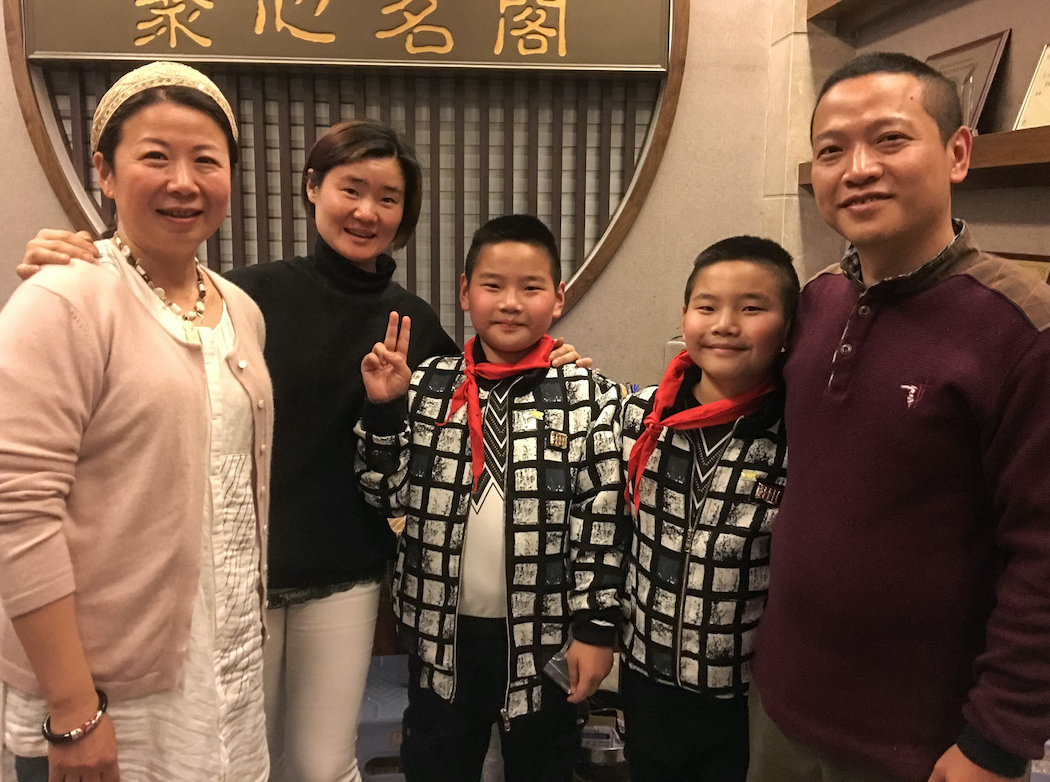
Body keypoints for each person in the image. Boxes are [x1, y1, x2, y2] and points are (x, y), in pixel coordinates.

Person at [18, 122, 589, 782]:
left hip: (344, 574)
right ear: (313, 187)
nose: (367, 212)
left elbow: (461, 414)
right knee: (236, 757)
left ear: (405, 216)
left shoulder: (416, 322)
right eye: (351, 188)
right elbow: (145, 313)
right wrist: (71, 258)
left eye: (389, 198)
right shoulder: (242, 296)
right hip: (235, 573)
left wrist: (552, 367)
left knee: (322, 764)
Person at [748, 52, 1050, 782]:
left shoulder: (1034, 335)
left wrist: (995, 743)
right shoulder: (817, 301)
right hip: (781, 708)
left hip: (925, 745)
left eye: (890, 139)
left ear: (958, 153)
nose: (857, 168)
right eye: (831, 150)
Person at [0, 61, 274, 781]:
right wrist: (73, 708)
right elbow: (19, 511)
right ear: (106, 171)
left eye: (206, 160)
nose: (184, 181)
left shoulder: (240, 311)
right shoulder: (62, 300)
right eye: (155, 156)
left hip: (224, 674)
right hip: (107, 693)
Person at [354, 214, 626, 782]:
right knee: (436, 764)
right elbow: (385, 494)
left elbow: (602, 524)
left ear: (558, 297)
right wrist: (383, 410)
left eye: (530, 288)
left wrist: (597, 630)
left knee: (542, 766)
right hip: (440, 638)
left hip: (545, 635)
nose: (509, 302)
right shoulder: (428, 385)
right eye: (493, 285)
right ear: (464, 291)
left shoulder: (589, 397)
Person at [618, 236, 795, 782]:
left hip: (744, 694)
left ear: (789, 327)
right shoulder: (637, 415)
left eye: (752, 308)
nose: (725, 324)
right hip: (644, 672)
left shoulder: (799, 436)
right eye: (707, 306)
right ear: (685, 314)